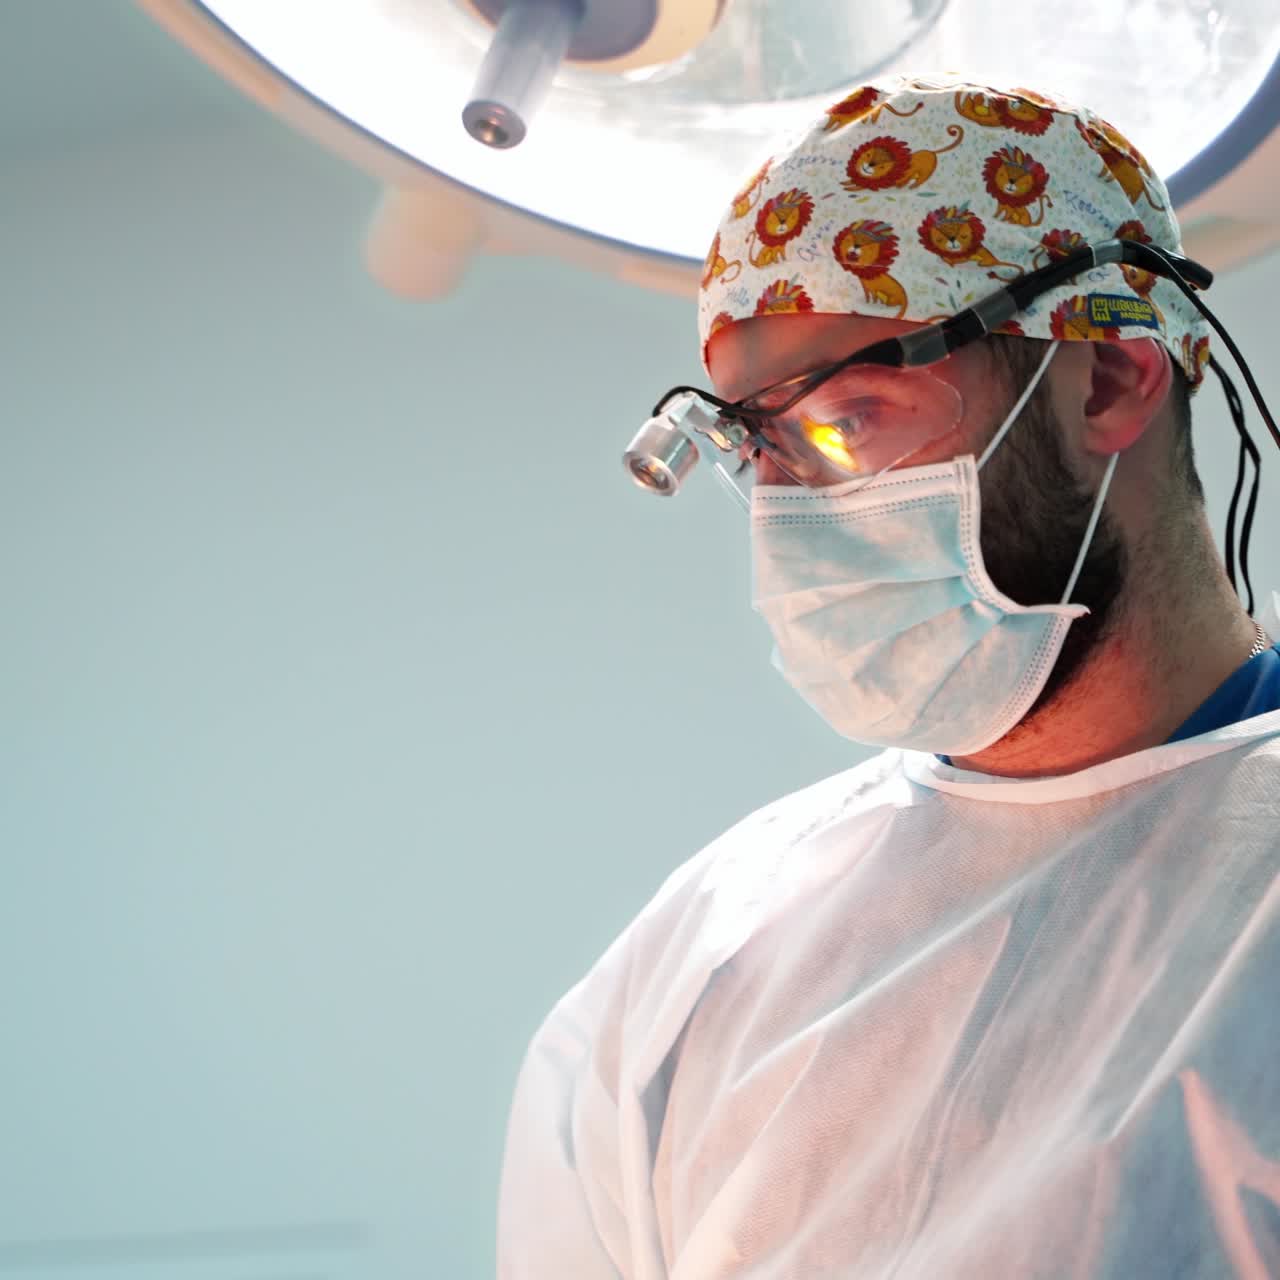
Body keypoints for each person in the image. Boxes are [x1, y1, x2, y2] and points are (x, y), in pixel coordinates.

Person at [497, 76, 1280, 1278]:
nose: (791, 509)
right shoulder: (705, 954)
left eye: (851, 419)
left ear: (1111, 380)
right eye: (756, 446)